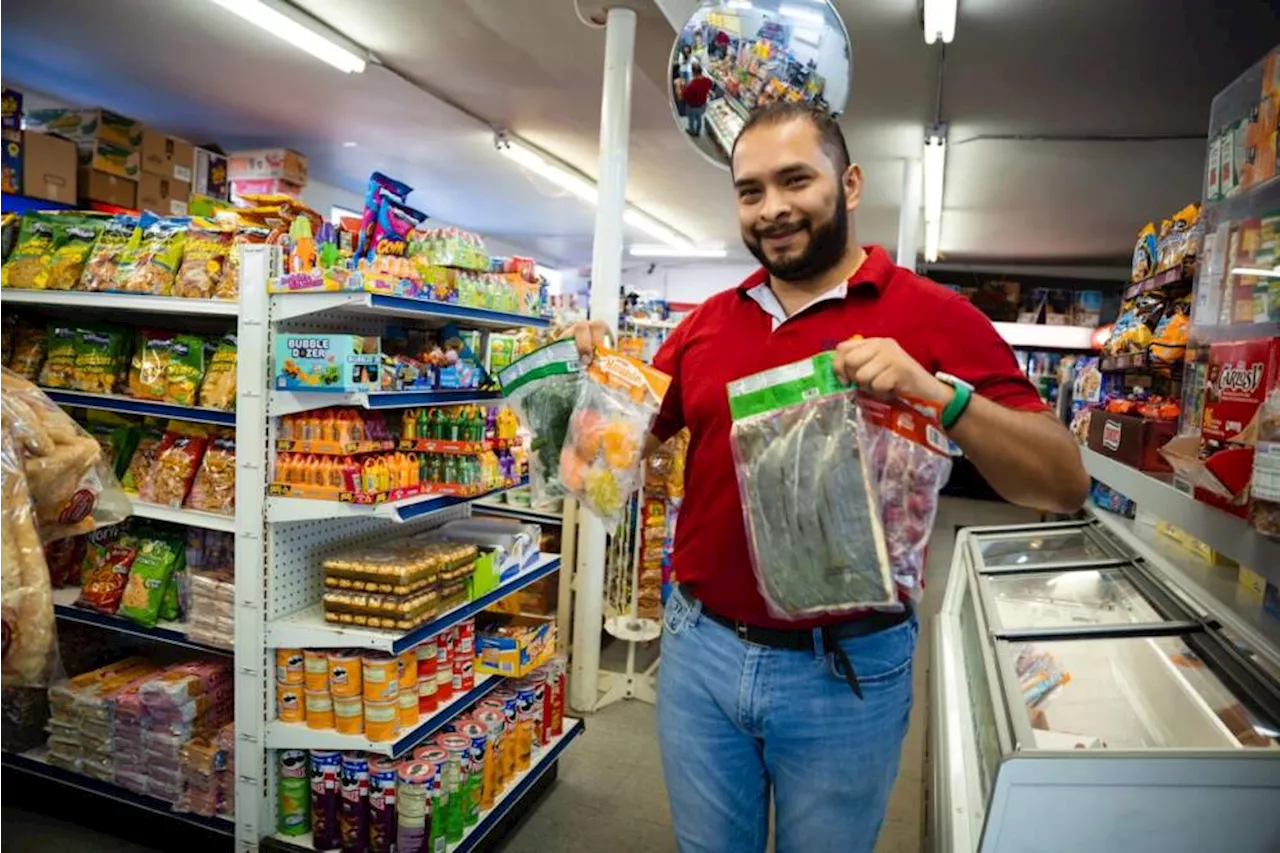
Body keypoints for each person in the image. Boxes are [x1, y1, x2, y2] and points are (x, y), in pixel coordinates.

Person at [569, 103, 1089, 853]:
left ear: (848, 184)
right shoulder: (708, 323)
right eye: (750, 191)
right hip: (699, 650)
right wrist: (590, 382)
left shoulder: (932, 314)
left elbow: (1062, 481)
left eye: (795, 180)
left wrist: (940, 395)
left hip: (845, 669)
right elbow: (609, 460)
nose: (772, 208)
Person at [681, 63, 714, 137]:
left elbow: (684, 95)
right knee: (699, 118)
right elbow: (711, 84)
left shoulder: (692, 85)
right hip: (702, 105)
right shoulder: (707, 80)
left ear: (693, 73)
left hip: (692, 106)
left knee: (691, 120)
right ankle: (698, 131)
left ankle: (692, 131)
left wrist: (683, 86)